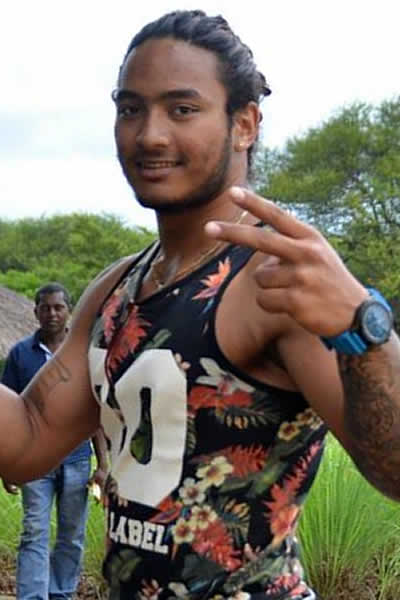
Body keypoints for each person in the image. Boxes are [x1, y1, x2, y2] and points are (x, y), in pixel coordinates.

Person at [0, 10, 399, 600]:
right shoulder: (116, 289)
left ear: (245, 124)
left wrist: (364, 329)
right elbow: (28, 440)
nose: (150, 135)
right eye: (130, 109)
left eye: (182, 109)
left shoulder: (276, 280)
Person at [1, 282, 108, 600]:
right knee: (34, 531)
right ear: (35, 312)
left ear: (69, 311)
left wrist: (103, 464)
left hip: (76, 460)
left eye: (58, 307)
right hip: (35, 460)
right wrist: (7, 464)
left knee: (71, 535)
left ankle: (61, 594)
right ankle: (33, 597)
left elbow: (95, 413)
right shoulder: (21, 354)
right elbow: (8, 412)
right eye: (45, 308)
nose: (52, 313)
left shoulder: (84, 356)